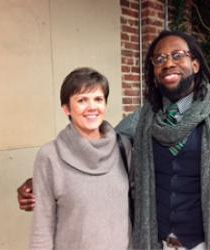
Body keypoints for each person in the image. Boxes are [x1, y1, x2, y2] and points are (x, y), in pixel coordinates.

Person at [18, 30, 210, 250]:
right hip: (154, 243)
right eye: (159, 59)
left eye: (177, 55)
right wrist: (46, 178)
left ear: (195, 64)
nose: (168, 63)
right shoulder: (143, 121)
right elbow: (99, 147)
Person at [28, 67, 132, 250]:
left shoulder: (123, 147)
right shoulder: (50, 156)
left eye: (98, 99)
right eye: (82, 100)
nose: (92, 107)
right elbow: (42, 228)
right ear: (67, 108)